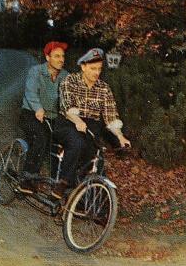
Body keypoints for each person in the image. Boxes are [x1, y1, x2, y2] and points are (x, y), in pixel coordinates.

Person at [52, 47, 131, 198]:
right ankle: (63, 182)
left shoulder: (104, 89)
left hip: (90, 128)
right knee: (76, 143)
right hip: (68, 123)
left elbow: (111, 117)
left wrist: (120, 137)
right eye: (93, 68)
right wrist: (77, 120)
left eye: (99, 69)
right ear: (83, 66)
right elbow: (67, 107)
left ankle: (95, 205)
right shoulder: (70, 81)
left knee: (96, 159)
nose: (97, 72)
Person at [19, 41, 69, 192]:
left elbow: (69, 97)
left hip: (52, 118)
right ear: (47, 57)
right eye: (57, 56)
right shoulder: (36, 71)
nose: (61, 59)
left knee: (64, 142)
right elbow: (31, 92)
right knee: (41, 137)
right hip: (31, 114)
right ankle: (27, 178)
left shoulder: (66, 76)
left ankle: (58, 184)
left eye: (63, 56)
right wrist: (38, 108)